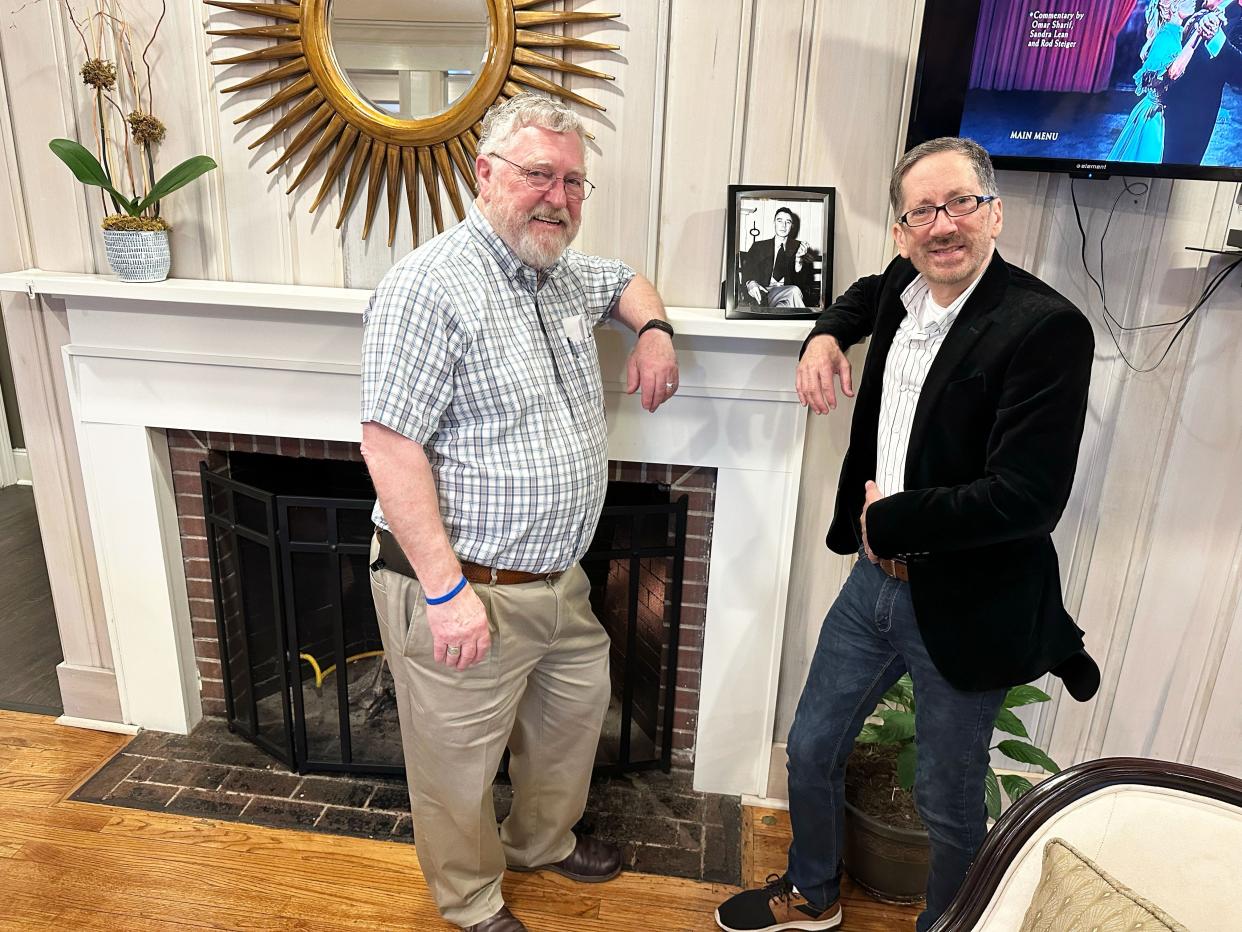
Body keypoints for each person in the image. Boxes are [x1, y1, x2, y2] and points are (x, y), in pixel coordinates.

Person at [714, 137, 1097, 932]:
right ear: (901, 231)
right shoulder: (902, 282)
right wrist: (825, 334)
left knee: (948, 802)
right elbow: (857, 296)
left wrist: (887, 519)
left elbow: (1027, 499)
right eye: (921, 211)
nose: (942, 225)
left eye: (961, 203)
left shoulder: (1046, 328)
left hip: (968, 602)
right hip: (871, 588)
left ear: (994, 212)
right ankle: (813, 895)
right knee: (812, 745)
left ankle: (946, 926)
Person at [360, 92, 678, 932]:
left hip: (556, 581)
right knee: (456, 768)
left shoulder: (564, 273)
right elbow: (390, 448)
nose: (559, 197)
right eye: (540, 174)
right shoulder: (429, 287)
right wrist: (441, 588)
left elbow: (628, 280)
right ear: (486, 174)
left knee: (572, 721)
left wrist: (654, 330)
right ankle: (468, 901)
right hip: (466, 585)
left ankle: (540, 840)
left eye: (575, 182)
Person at [1108, 0, 1198, 163]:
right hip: (1152, 113)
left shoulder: (1175, 32)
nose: (1192, 3)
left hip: (1160, 110)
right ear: (1176, 6)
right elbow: (1147, 80)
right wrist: (1167, 78)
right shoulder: (1166, 36)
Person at [1163, 0, 1242, 165]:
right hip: (1152, 106)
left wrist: (1217, 39)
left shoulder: (1238, 14)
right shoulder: (1188, 4)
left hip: (1190, 120)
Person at [740, 206, 816, 308]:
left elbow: (804, 285)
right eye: (779, 221)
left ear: (792, 226)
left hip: (789, 294)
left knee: (786, 302)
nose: (783, 225)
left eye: (788, 222)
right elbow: (747, 270)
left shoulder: (799, 248)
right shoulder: (759, 246)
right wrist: (751, 283)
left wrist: (799, 260)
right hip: (763, 294)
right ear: (774, 223)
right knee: (793, 292)